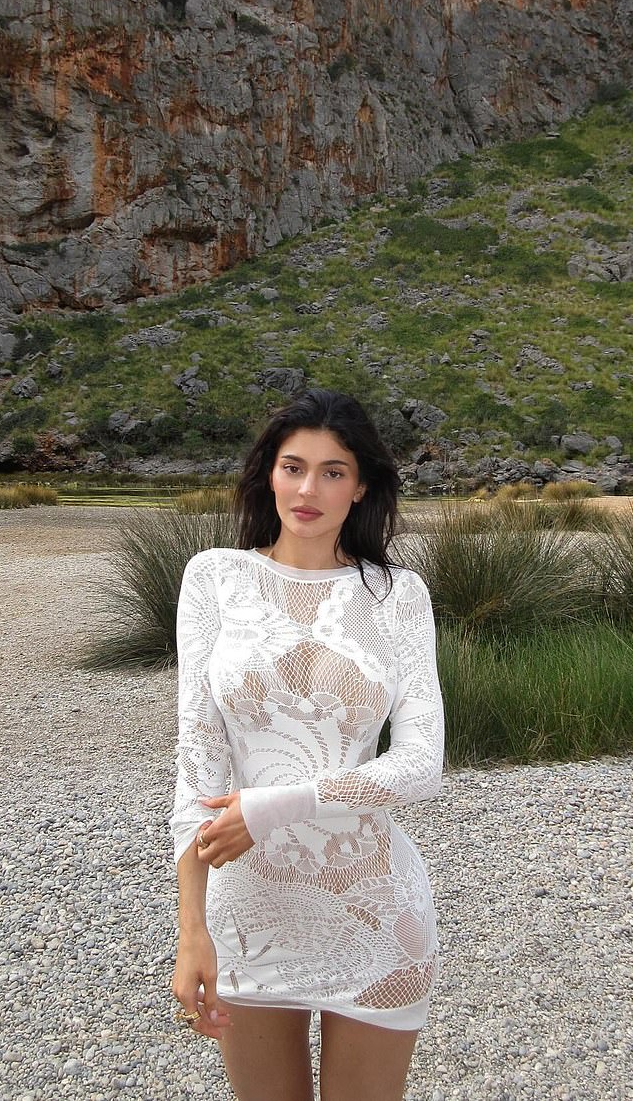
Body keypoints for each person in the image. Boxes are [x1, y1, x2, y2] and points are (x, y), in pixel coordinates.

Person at [169, 388, 445, 1101]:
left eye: (333, 470)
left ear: (360, 487)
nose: (309, 488)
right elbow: (194, 773)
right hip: (248, 915)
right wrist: (191, 930)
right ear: (270, 473)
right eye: (294, 466)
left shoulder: (398, 595)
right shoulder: (214, 578)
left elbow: (421, 764)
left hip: (376, 912)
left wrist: (272, 807)